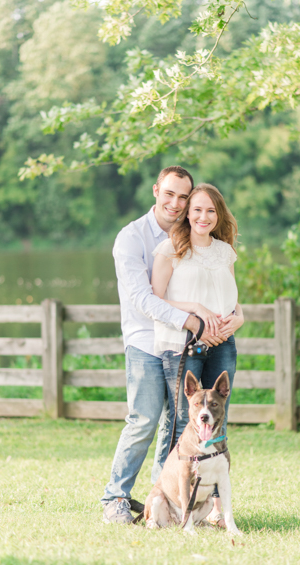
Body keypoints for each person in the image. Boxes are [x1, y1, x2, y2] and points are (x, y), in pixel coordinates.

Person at [101, 167, 239, 524]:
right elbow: (145, 299)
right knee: (145, 419)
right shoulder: (132, 238)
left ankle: (162, 498)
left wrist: (225, 320)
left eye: (184, 197)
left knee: (179, 425)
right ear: (156, 191)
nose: (176, 203)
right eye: (170, 194)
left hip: (186, 342)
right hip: (148, 341)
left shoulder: (191, 235)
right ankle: (115, 497)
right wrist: (194, 319)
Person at [151, 183, 244, 528]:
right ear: (187, 213)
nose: (203, 217)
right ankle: (172, 502)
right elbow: (156, 299)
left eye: (210, 211)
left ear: (218, 215)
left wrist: (239, 318)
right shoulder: (171, 249)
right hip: (184, 343)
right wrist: (196, 311)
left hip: (224, 343)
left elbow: (232, 297)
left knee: (217, 419)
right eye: (197, 210)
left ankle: (217, 509)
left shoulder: (225, 252)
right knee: (182, 422)